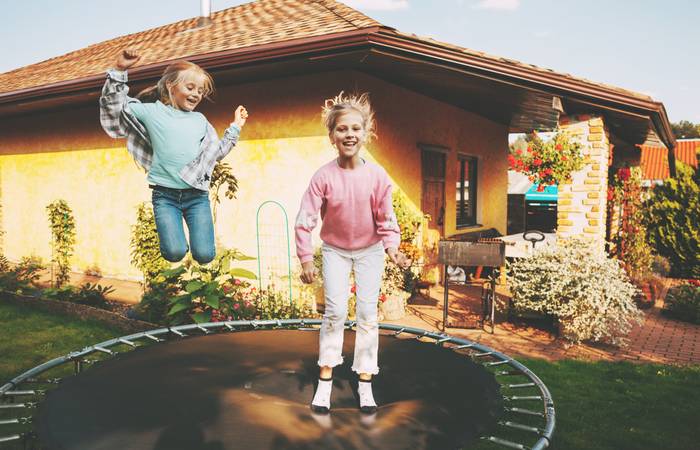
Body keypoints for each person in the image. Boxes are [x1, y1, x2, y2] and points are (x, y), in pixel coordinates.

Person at [295, 91, 410, 414]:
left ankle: (365, 381)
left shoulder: (377, 176)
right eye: (342, 129)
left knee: (367, 314)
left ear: (366, 132)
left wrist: (393, 249)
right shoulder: (324, 176)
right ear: (332, 136)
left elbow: (386, 219)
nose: (349, 134)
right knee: (334, 311)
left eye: (355, 128)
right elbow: (305, 219)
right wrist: (306, 258)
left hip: (370, 250)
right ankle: (326, 379)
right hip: (335, 250)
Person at [100, 49, 248, 264]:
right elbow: (117, 106)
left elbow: (216, 152)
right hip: (165, 197)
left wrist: (235, 127)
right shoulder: (152, 112)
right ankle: (176, 241)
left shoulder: (200, 120)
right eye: (190, 87)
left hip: (196, 197)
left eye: (201, 91)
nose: (196, 94)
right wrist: (120, 70)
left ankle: (196, 246)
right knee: (174, 253)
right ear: (171, 86)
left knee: (205, 255)